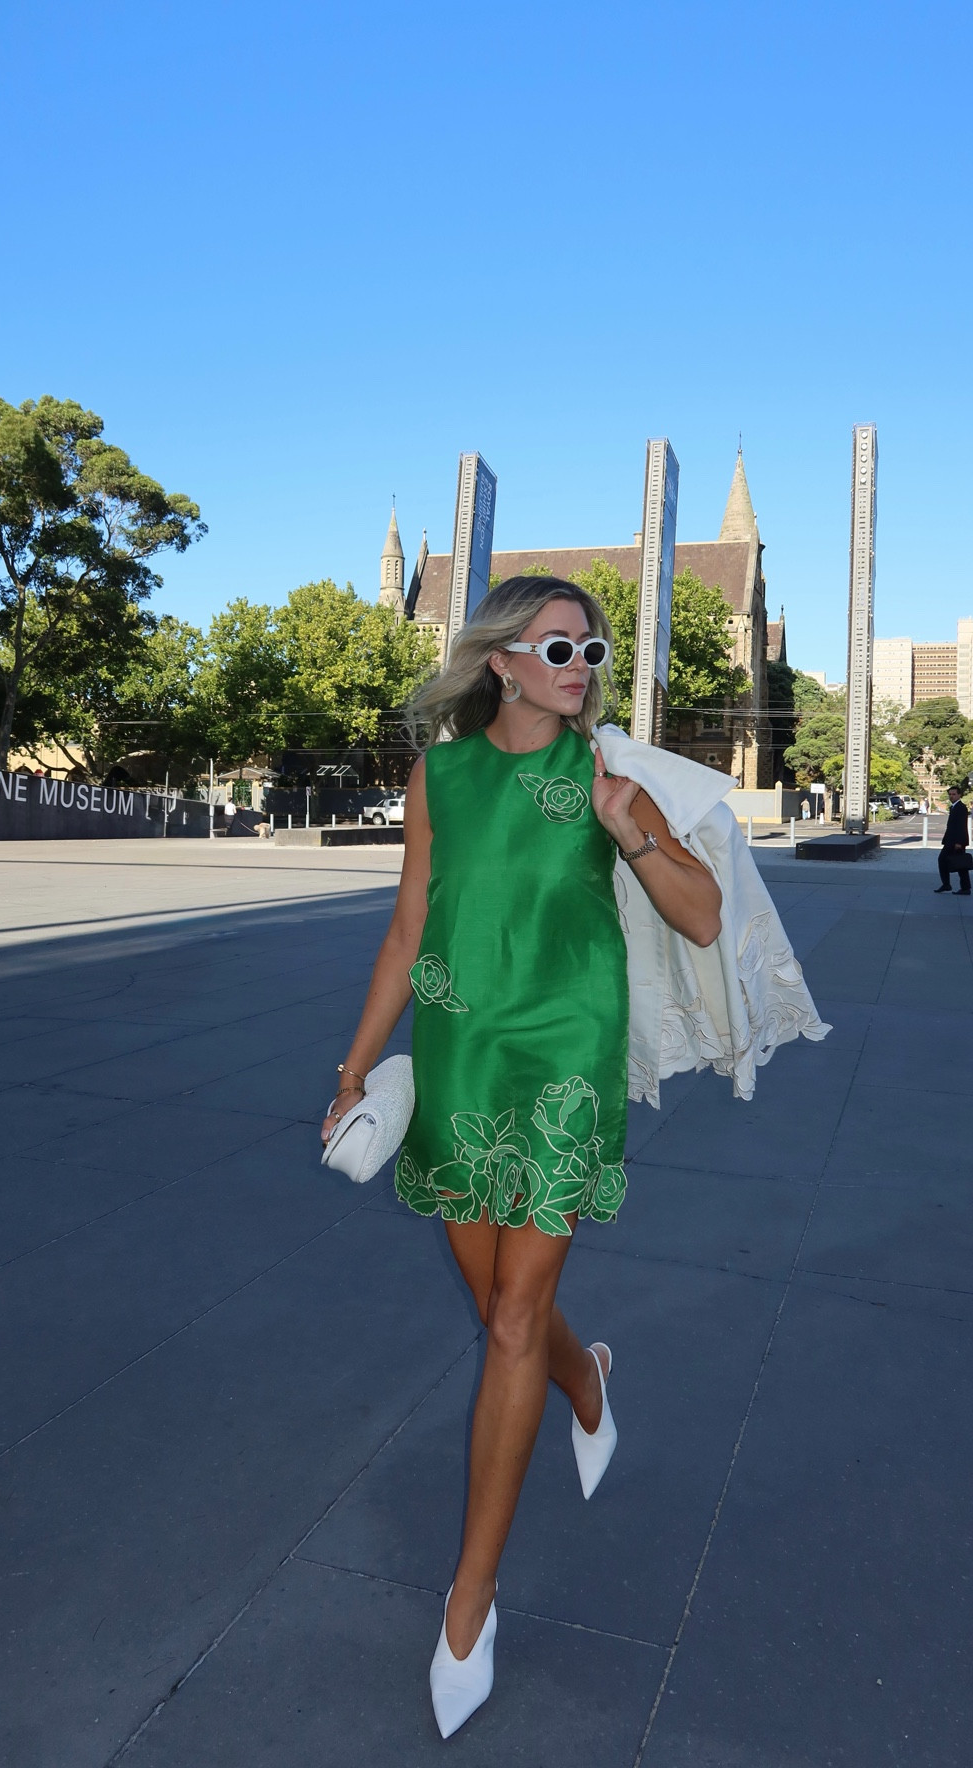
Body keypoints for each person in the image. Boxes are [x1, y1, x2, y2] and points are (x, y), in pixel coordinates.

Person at [321, 577, 722, 1739]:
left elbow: (699, 919)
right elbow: (409, 926)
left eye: (592, 647)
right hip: (458, 1057)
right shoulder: (438, 777)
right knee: (502, 1303)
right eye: (558, 645)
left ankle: (470, 1600)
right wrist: (355, 1068)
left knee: (508, 1320)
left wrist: (630, 829)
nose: (582, 661)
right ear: (499, 660)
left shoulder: (609, 777)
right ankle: (587, 1379)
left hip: (561, 1064)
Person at [935, 784, 971, 895]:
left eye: (954, 794)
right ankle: (953, 885)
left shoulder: (960, 807)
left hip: (956, 842)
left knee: (959, 864)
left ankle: (959, 887)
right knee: (956, 864)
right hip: (951, 841)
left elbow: (961, 826)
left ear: (959, 795)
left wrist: (959, 842)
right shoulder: (954, 807)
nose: (952, 796)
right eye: (950, 794)